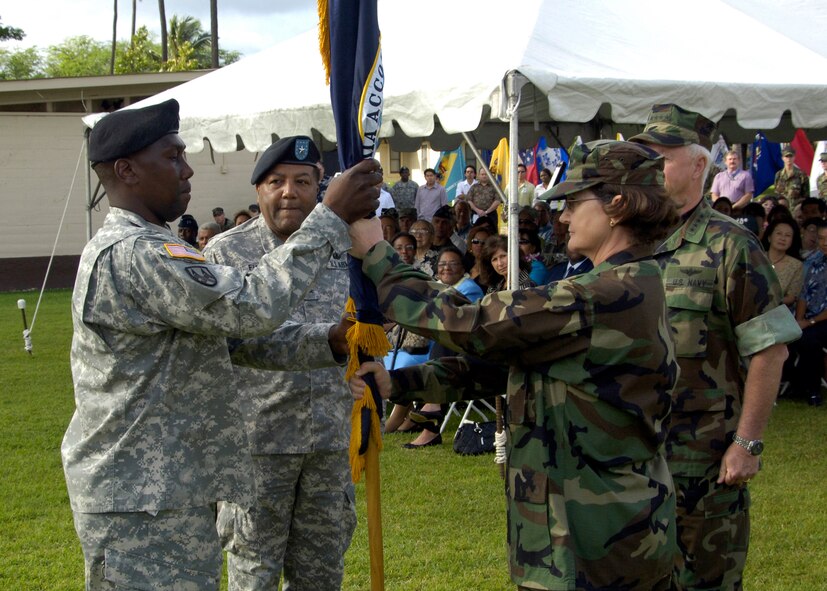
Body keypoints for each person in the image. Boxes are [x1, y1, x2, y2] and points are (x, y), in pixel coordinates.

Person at [64, 99, 380, 591]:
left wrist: (331, 341)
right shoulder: (136, 254)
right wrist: (330, 213)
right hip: (141, 498)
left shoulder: (158, 247)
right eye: (172, 157)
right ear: (125, 170)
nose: (187, 169)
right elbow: (251, 306)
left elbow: (233, 341)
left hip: (168, 488)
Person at [349, 139, 683, 590]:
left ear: (617, 205)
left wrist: (377, 253)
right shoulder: (626, 282)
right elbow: (511, 367)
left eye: (573, 202)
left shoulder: (604, 294)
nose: (562, 217)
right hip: (601, 528)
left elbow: (467, 322)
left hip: (594, 542)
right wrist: (399, 383)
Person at [630, 103, 801, 591]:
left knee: (704, 582)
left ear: (700, 165)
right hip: (630, 456)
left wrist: (746, 444)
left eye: (660, 157)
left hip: (702, 464)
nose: (649, 167)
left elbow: (769, 351)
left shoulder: (731, 247)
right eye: (643, 156)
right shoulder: (627, 242)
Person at [204, 136, 356, 591]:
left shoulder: (347, 249)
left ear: (319, 189)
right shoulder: (225, 255)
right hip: (257, 445)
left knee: (323, 572)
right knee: (255, 572)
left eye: (302, 181)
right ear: (258, 191)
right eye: (276, 181)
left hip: (330, 439)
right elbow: (229, 343)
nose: (289, 192)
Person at [786, 219, 827, 406]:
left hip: (821, 319)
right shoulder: (811, 261)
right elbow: (803, 294)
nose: (824, 242)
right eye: (821, 238)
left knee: (810, 339)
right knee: (798, 337)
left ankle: (811, 389)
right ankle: (804, 386)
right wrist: (800, 319)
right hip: (810, 318)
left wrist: (810, 322)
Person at [761, 218, 804, 310]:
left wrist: (768, 302)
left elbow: (791, 298)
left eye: (788, 235)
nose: (782, 238)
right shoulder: (756, 257)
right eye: (778, 233)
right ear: (769, 237)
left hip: (777, 313)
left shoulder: (796, 265)